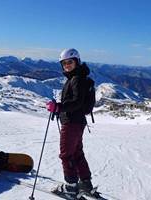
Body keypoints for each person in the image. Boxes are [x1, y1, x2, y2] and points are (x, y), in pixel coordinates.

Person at [46, 48, 95, 197]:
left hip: (72, 122)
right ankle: (86, 184)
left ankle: (71, 188)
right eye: (64, 63)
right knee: (77, 153)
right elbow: (76, 101)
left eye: (70, 62)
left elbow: (77, 102)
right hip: (78, 121)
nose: (67, 65)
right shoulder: (77, 77)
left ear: (77, 62)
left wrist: (59, 107)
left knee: (66, 155)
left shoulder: (76, 79)